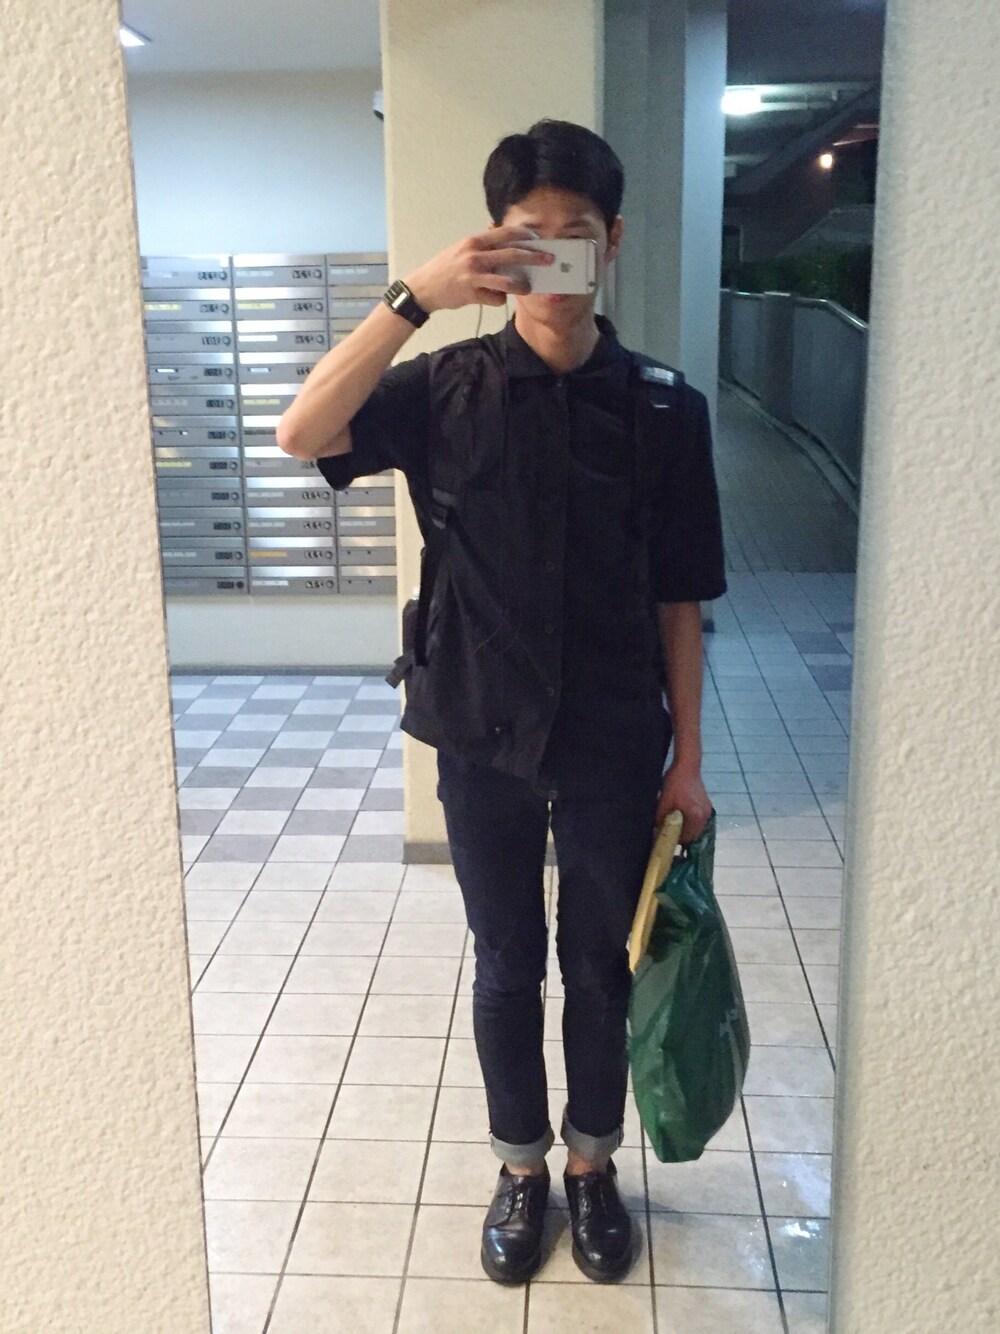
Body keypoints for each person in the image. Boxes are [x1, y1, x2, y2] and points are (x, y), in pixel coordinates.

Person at [277, 119, 727, 1285]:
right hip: (479, 730)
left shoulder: (667, 411)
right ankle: (521, 1168)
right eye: (530, 238)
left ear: (612, 242)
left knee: (600, 965)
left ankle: (591, 1163)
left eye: (576, 234)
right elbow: (300, 431)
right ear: (493, 247)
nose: (556, 258)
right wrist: (413, 297)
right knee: (505, 961)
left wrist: (687, 759)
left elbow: (681, 598)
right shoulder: (443, 389)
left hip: (616, 735)